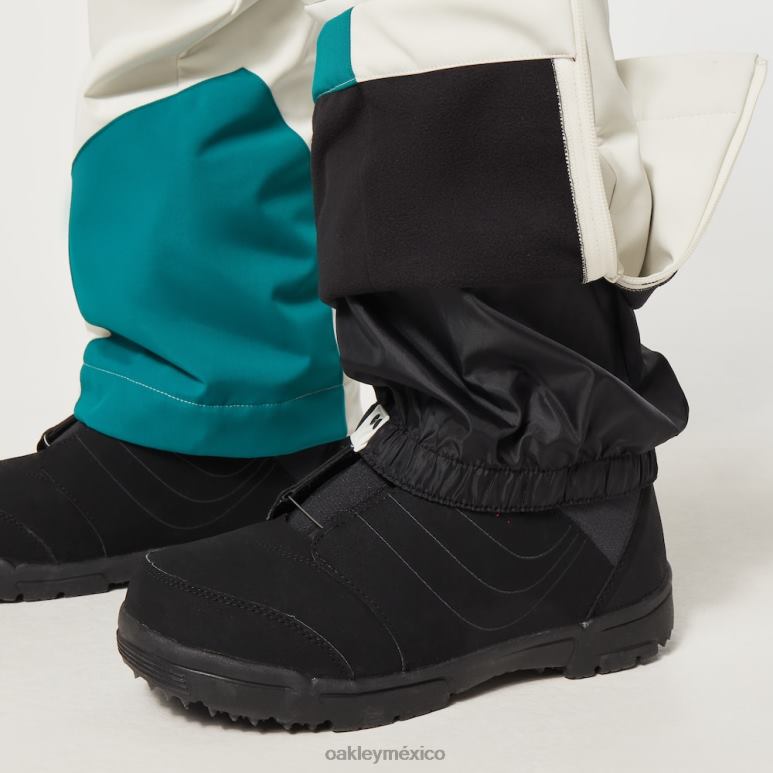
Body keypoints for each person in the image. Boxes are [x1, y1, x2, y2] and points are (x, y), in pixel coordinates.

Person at [0, 0, 764, 730]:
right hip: (221, 385)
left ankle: (533, 486)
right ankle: (226, 403)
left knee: (441, 20)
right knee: (181, 20)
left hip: (522, 476)